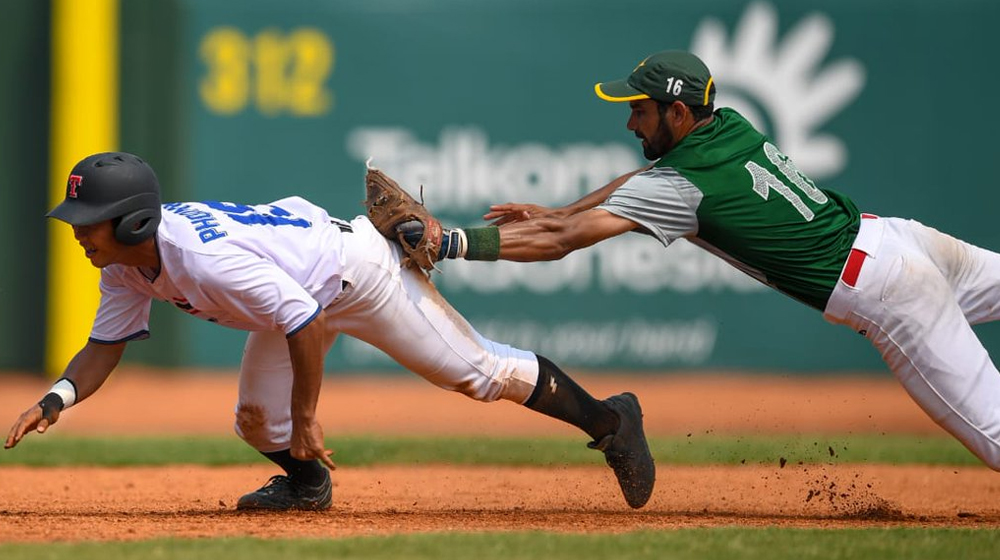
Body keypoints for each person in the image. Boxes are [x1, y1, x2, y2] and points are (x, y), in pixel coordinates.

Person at [398, 50, 1000, 472]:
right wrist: (561, 209)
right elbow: (635, 183)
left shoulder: (682, 186)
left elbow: (563, 242)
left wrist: (451, 242)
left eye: (641, 109)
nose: (630, 120)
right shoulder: (727, 125)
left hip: (890, 293)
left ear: (679, 114)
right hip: (900, 241)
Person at [4, 151, 655, 510]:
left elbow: (306, 320)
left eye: (89, 219)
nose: (78, 231)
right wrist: (56, 399)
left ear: (133, 224)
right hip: (299, 290)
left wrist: (308, 418)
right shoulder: (124, 267)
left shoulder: (201, 259)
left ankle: (612, 421)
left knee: (481, 375)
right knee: (256, 422)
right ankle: (307, 485)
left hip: (358, 278)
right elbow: (103, 347)